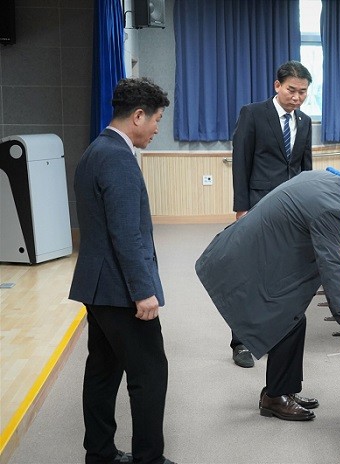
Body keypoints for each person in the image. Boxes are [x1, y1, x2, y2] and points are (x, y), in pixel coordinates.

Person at [195, 162, 340, 421]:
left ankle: (282, 391)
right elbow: (330, 265)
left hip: (260, 253)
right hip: (246, 258)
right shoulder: (333, 207)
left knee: (292, 319)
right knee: (286, 319)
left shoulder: (326, 181)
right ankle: (275, 397)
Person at [69, 77, 176, 464]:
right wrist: (143, 291)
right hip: (120, 291)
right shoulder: (117, 157)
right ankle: (149, 458)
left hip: (97, 288)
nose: (157, 128)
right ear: (138, 115)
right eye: (157, 119)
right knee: (150, 374)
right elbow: (127, 234)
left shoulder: (95, 150)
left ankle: (99, 453)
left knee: (102, 370)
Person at [229, 60, 314, 368]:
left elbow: (306, 168)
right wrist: (241, 208)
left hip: (293, 209)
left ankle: (275, 333)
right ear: (277, 86)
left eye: (303, 93)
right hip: (259, 204)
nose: (297, 97)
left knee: (285, 273)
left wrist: (309, 204)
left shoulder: (304, 121)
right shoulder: (253, 114)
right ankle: (241, 342)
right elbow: (241, 161)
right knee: (252, 274)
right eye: (292, 90)